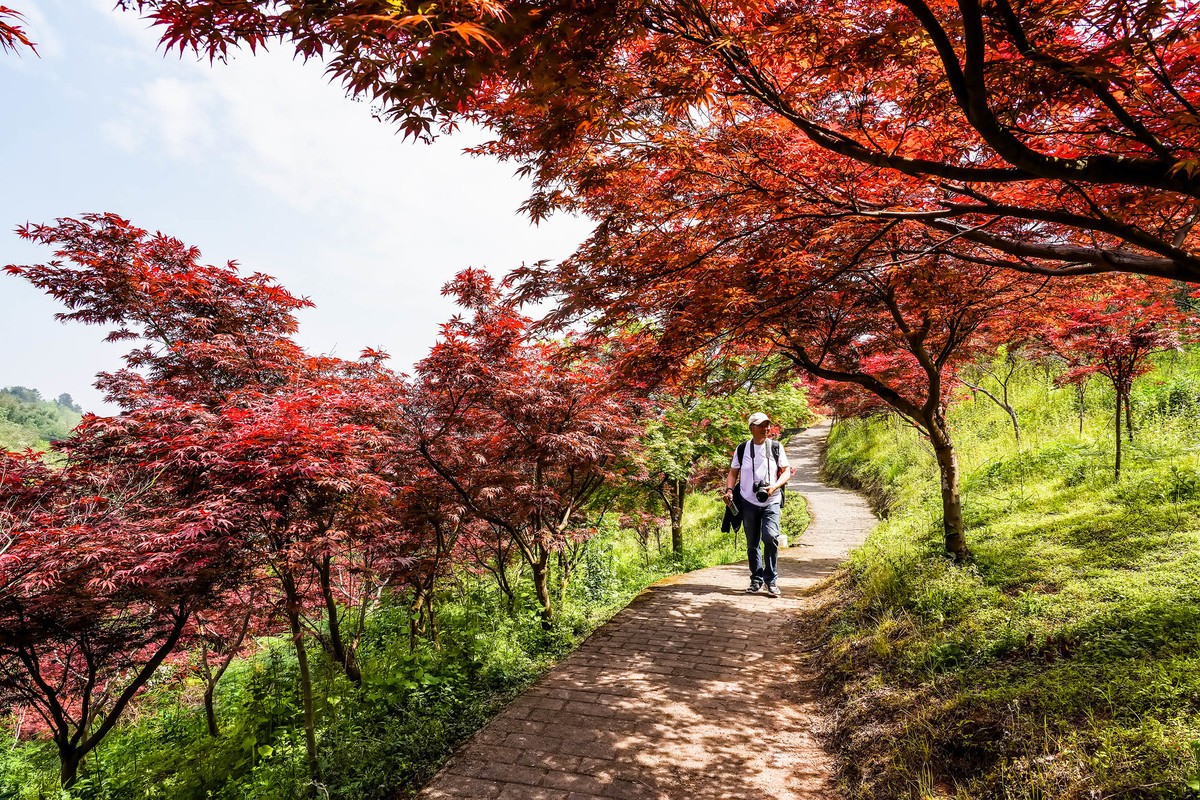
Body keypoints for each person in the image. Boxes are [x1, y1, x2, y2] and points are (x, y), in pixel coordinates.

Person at [723, 412, 793, 597]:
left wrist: (774, 486)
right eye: (761, 425)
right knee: (752, 542)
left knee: (770, 537)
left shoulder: (776, 447)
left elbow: (786, 472)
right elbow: (732, 473)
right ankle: (756, 580)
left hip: (772, 499)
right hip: (747, 501)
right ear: (751, 428)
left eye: (767, 425)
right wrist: (729, 491)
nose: (766, 428)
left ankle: (771, 580)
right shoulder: (742, 449)